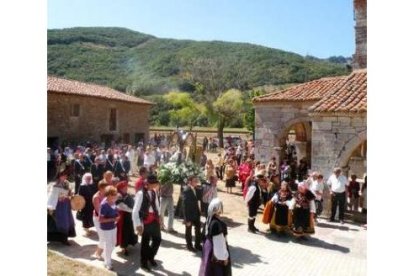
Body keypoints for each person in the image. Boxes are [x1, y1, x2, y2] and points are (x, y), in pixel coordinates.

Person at [132, 175, 162, 272]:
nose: (156, 184)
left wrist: (160, 217)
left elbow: (157, 205)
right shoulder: (141, 193)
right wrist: (138, 225)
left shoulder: (154, 192)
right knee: (145, 242)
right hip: (145, 220)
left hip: (154, 219)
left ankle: (150, 256)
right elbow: (135, 211)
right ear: (149, 184)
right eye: (155, 183)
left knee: (157, 239)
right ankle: (144, 262)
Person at [199, 198, 231, 276]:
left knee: (207, 269)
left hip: (208, 249)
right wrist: (225, 257)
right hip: (215, 253)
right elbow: (219, 243)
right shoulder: (217, 224)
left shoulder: (208, 221)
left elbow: (203, 237)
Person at [47, 170, 76, 245]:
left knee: (67, 221)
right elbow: (52, 196)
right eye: (63, 175)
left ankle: (64, 239)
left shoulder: (67, 183)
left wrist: (71, 194)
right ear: (59, 176)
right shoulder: (54, 184)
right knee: (60, 222)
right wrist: (58, 198)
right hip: (58, 206)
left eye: (66, 175)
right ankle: (60, 239)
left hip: (66, 205)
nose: (65, 177)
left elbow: (69, 193)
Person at [99, 186, 120, 270]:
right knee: (108, 245)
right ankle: (107, 263)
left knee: (113, 243)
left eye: (115, 194)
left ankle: (105, 255)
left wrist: (117, 216)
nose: (115, 196)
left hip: (113, 226)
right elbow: (101, 220)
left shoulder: (113, 202)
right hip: (106, 228)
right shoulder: (104, 205)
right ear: (108, 195)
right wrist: (113, 219)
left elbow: (115, 211)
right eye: (113, 194)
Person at [115, 181, 138, 256]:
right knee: (123, 232)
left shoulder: (126, 194)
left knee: (129, 230)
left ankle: (127, 244)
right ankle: (124, 247)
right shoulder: (118, 195)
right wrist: (133, 210)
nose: (126, 188)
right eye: (124, 187)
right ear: (120, 188)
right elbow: (121, 207)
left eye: (126, 187)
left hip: (128, 216)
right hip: (122, 217)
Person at [182, 175, 202, 251]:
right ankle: (189, 246)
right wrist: (186, 219)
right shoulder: (186, 190)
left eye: (197, 180)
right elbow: (184, 206)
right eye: (195, 181)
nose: (196, 182)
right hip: (189, 214)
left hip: (196, 213)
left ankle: (197, 244)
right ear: (190, 182)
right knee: (188, 231)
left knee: (198, 229)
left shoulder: (196, 189)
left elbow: (199, 199)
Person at [91, 180, 109, 260]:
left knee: (104, 237)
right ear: (101, 188)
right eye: (105, 188)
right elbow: (99, 211)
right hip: (98, 218)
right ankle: (98, 253)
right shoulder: (96, 197)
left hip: (105, 218)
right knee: (103, 237)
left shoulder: (106, 194)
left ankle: (100, 253)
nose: (107, 189)